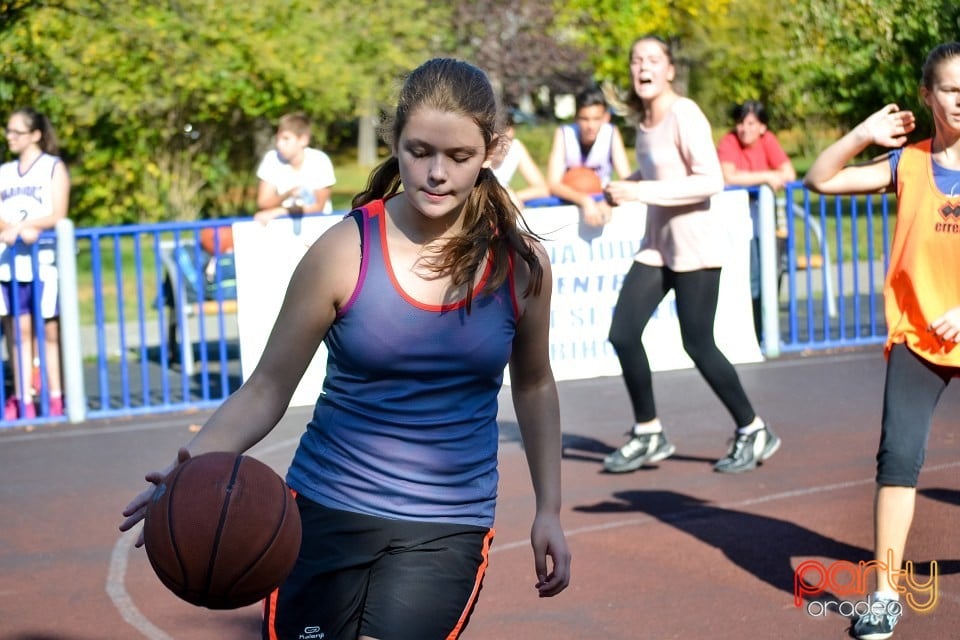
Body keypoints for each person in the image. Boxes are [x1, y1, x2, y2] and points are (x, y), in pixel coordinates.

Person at [120, 58, 570, 640]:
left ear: (491, 151)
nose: (436, 173)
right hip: (324, 513)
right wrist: (191, 467)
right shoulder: (343, 252)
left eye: (458, 157)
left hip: (447, 527)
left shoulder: (521, 267)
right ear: (395, 142)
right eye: (419, 151)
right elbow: (266, 387)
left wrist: (549, 510)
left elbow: (534, 384)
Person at [803, 41, 959, 640]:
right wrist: (863, 132)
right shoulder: (907, 165)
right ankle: (885, 593)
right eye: (950, 88)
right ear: (927, 95)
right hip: (917, 336)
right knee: (897, 459)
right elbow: (819, 180)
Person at [601, 35, 778, 475]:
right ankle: (649, 433)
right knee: (623, 334)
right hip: (657, 246)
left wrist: (640, 190)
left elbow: (709, 181)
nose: (643, 66)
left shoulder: (685, 114)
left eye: (653, 60)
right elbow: (658, 169)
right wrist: (623, 187)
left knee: (698, 344)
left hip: (695, 246)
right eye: (636, 59)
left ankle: (753, 428)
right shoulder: (643, 121)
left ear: (670, 70)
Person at [0, 108, 70, 420]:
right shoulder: (4, 172)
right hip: (8, 265)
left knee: (50, 332)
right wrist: (9, 228)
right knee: (18, 331)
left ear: (35, 135)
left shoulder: (53, 168)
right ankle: (22, 396)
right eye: (8, 131)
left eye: (16, 131)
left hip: (43, 263)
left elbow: (58, 213)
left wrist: (31, 228)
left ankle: (56, 395)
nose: (9, 136)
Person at [716, 100, 797, 343]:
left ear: (762, 127)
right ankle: (751, 334)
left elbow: (789, 173)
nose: (744, 128)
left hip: (765, 219)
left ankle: (767, 331)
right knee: (749, 278)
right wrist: (766, 177)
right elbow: (728, 176)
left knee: (773, 273)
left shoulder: (768, 140)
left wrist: (752, 179)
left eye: (750, 123)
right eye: (740, 122)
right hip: (738, 221)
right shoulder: (729, 142)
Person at [546, 86, 632, 226]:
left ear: (606, 117)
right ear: (575, 118)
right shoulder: (563, 134)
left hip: (602, 202)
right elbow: (553, 184)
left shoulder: (611, 133)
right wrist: (584, 200)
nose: (590, 125)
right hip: (568, 204)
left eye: (596, 119)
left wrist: (608, 201)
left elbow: (627, 180)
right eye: (585, 119)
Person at [253, 112, 336, 225]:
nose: (279, 144)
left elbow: (318, 208)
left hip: (319, 227)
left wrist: (280, 212)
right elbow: (264, 202)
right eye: (278, 139)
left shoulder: (320, 161)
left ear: (303, 140)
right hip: (284, 228)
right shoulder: (272, 159)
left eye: (286, 139)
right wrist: (288, 194)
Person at [491, 111, 550, 206]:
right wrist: (503, 196)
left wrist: (514, 197)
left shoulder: (516, 148)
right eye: (501, 140)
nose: (506, 146)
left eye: (510, 139)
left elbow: (542, 189)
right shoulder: (478, 152)